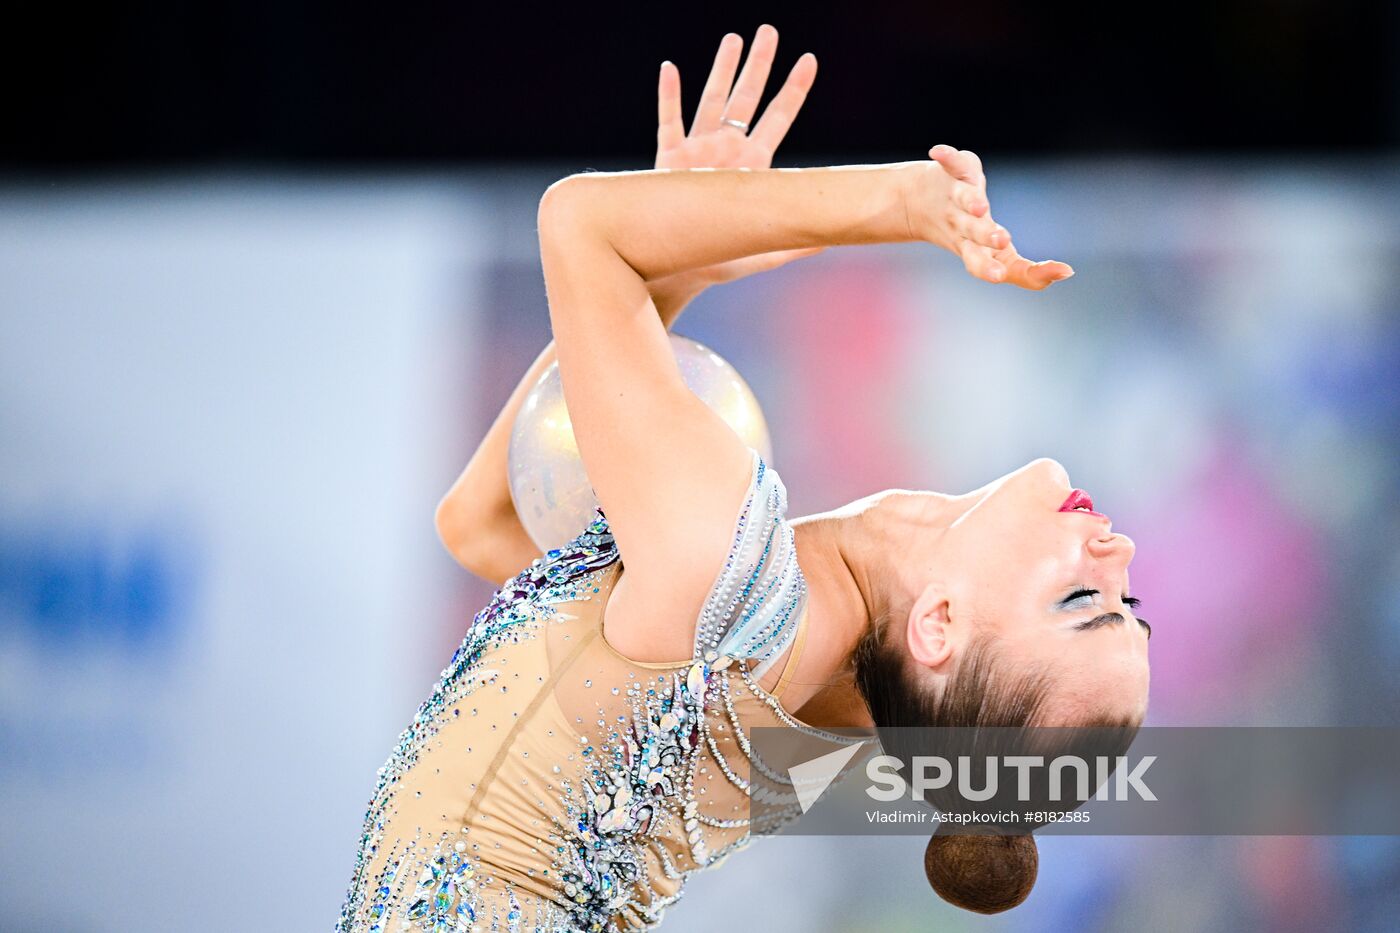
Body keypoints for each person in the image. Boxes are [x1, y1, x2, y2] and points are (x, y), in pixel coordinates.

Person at [336, 24, 1150, 931]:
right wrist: (678, 256)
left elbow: (577, 222)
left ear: (940, 625)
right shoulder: (793, 694)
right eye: (1132, 603)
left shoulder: (735, 580)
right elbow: (484, 525)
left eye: (1084, 601)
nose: (1117, 552)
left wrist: (905, 202)